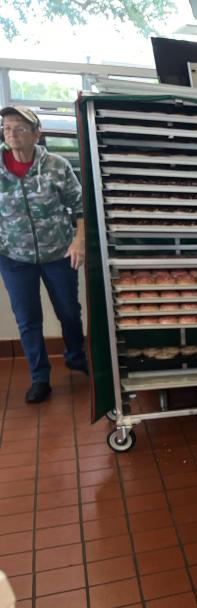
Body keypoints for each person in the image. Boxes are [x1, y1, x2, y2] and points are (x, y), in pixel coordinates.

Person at [0, 106, 87, 403]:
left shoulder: (56, 166)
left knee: (69, 312)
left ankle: (76, 356)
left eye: (20, 128)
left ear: (37, 134)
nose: (12, 134)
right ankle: (40, 377)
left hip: (58, 254)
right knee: (27, 319)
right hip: (13, 258)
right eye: (7, 128)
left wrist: (79, 242)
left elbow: (80, 206)